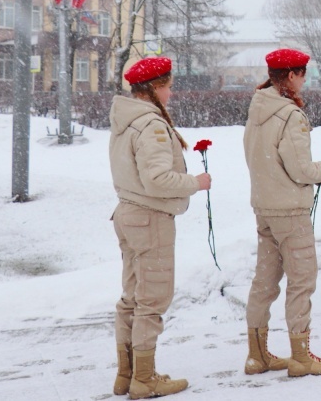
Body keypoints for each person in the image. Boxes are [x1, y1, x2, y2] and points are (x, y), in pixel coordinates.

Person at [109, 56, 212, 399]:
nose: (170, 94)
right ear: (153, 88)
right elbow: (156, 179)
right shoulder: (150, 124)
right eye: (167, 87)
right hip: (149, 217)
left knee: (132, 297)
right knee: (151, 300)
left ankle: (127, 374)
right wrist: (195, 182)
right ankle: (145, 378)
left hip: (128, 213)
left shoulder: (126, 120)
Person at [242, 48, 321, 377]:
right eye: (302, 73)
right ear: (290, 76)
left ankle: (256, 355)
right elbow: (299, 169)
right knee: (302, 280)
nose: (305, 79)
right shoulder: (290, 115)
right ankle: (301, 356)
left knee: (264, 281)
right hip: (290, 210)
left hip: (265, 208)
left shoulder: (258, 108)